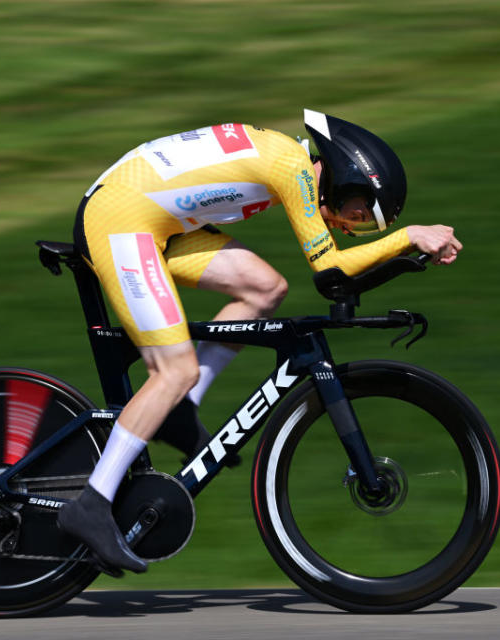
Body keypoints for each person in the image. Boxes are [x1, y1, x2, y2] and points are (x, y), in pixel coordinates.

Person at [57, 109, 463, 574]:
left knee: (264, 288)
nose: (351, 228)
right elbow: (330, 272)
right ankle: (92, 502)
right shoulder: (292, 168)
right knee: (174, 367)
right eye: (357, 216)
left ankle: (179, 409)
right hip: (122, 222)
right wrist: (408, 238)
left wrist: (399, 250)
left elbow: (332, 274)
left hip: (154, 222)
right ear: (344, 179)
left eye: (363, 227)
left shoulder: (286, 159)